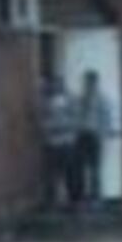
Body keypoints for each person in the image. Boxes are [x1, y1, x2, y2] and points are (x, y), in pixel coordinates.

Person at [74, 70, 116, 207]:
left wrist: (105, 133)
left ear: (96, 83)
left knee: (95, 168)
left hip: (95, 136)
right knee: (80, 168)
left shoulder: (102, 99)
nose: (88, 84)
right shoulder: (80, 98)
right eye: (86, 81)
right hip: (81, 135)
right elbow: (75, 116)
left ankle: (96, 199)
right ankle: (82, 198)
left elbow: (107, 118)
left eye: (91, 82)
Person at [40, 75, 79, 208]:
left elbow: (75, 120)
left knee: (69, 172)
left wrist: (59, 125)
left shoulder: (70, 99)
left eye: (60, 83)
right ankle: (56, 200)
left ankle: (71, 200)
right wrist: (51, 127)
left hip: (67, 141)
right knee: (54, 172)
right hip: (53, 143)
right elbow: (43, 122)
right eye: (55, 84)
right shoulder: (47, 102)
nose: (57, 86)